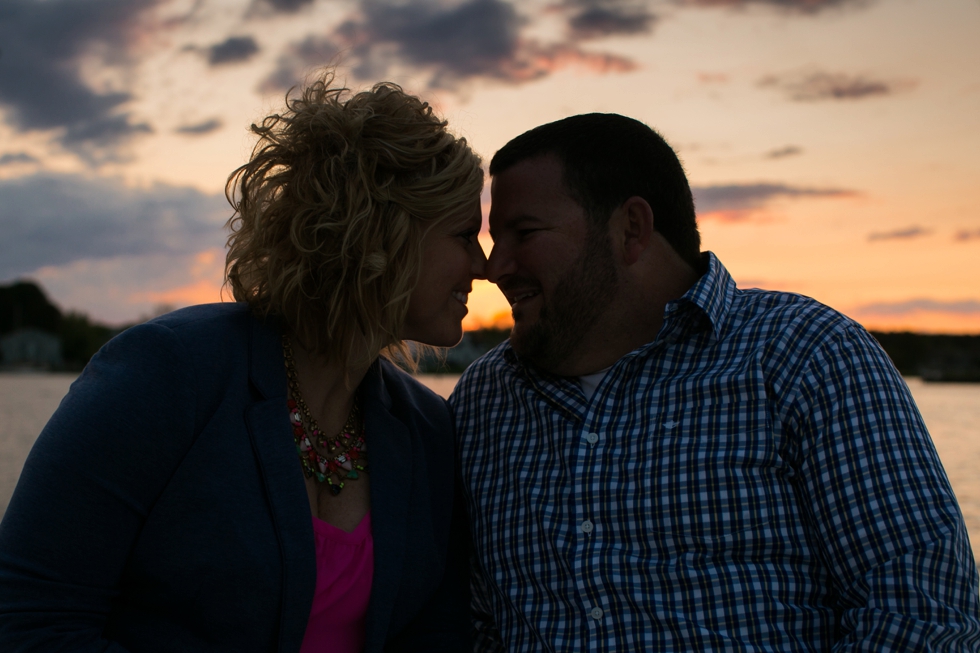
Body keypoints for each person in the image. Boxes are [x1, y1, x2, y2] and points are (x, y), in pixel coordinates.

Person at [450, 113, 980, 651]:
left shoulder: (805, 355)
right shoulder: (484, 402)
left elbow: (922, 613)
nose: (496, 268)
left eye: (525, 233)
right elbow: (470, 624)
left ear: (631, 229)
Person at [0, 72, 487, 652]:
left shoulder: (429, 433)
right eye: (463, 235)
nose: (482, 268)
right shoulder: (166, 374)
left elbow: (435, 636)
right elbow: (29, 616)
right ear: (384, 233)